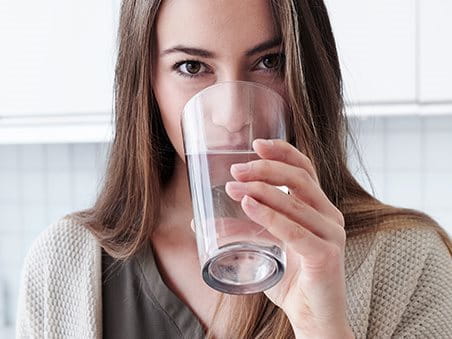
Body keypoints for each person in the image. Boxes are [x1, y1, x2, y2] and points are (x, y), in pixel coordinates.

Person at [16, 0, 452, 338]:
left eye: (270, 62)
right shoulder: (64, 266)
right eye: (192, 67)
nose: (231, 115)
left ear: (308, 71)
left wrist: (324, 328)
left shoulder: (410, 262)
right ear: (147, 83)